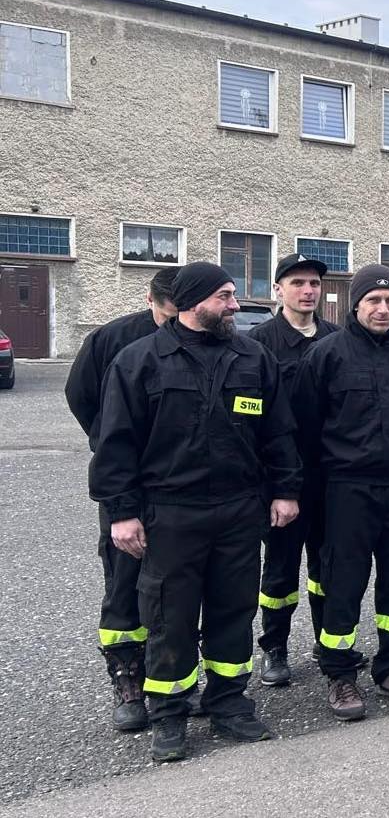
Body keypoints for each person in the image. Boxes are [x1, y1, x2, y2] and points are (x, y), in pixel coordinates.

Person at [90, 262, 300, 761]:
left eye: (232, 295)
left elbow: (279, 433)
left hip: (238, 510)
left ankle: (229, 703)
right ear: (191, 303)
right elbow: (116, 444)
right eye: (224, 296)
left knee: (234, 608)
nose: (234, 305)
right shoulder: (139, 361)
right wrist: (122, 512)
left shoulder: (253, 358)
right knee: (170, 616)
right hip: (170, 512)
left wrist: (285, 491)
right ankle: (169, 713)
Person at [292, 263, 389, 720]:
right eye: (373, 300)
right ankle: (340, 673)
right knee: (343, 582)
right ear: (356, 304)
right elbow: (305, 427)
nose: (383, 308)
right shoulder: (327, 354)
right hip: (347, 488)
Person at [64, 266, 179, 732]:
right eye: (169, 313)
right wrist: (108, 441)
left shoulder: (203, 339)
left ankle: (172, 674)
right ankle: (128, 676)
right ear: (150, 301)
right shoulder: (112, 340)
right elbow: (80, 395)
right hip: (127, 482)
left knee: (175, 582)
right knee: (124, 576)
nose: (177, 322)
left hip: (179, 483)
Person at [248, 253, 341, 686]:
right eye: (298, 283)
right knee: (280, 569)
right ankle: (275, 648)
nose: (308, 291)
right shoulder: (259, 343)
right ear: (278, 289)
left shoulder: (337, 339)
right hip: (282, 477)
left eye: (314, 284)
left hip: (330, 475)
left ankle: (327, 641)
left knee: (328, 565)